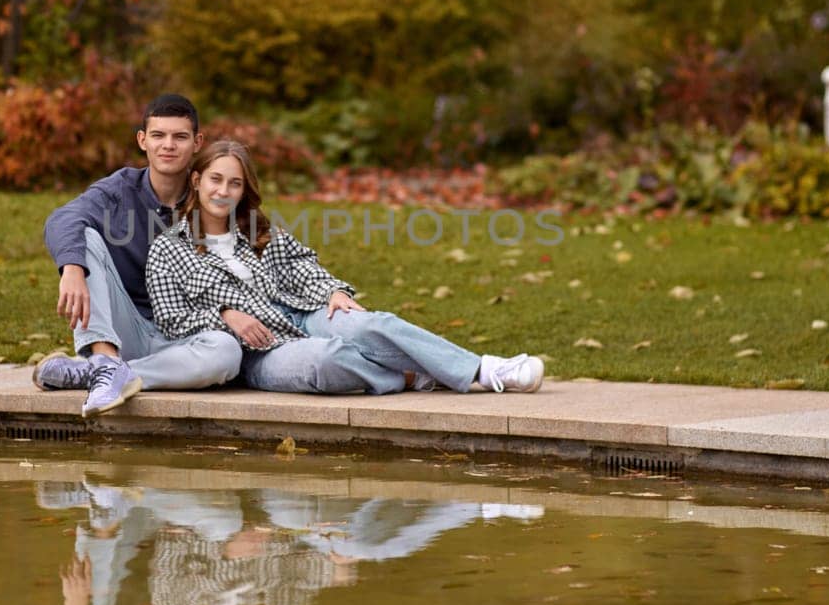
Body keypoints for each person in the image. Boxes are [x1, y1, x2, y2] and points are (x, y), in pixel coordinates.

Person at [145, 139, 545, 395]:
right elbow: (171, 320)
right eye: (216, 179)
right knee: (325, 360)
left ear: (244, 190)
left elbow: (303, 266)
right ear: (196, 181)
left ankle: (485, 370)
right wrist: (225, 315)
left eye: (234, 184)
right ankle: (413, 374)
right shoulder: (168, 250)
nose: (223, 191)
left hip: (302, 313)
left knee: (372, 324)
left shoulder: (258, 232)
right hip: (261, 350)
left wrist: (332, 292)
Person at [36, 95, 243, 415]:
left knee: (227, 354)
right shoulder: (120, 189)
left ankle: (106, 374)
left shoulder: (214, 195)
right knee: (84, 236)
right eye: (158, 135)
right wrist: (73, 268)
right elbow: (63, 219)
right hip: (124, 327)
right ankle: (105, 359)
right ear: (142, 140)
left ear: (198, 142)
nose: (168, 145)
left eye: (180, 137)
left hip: (183, 336)